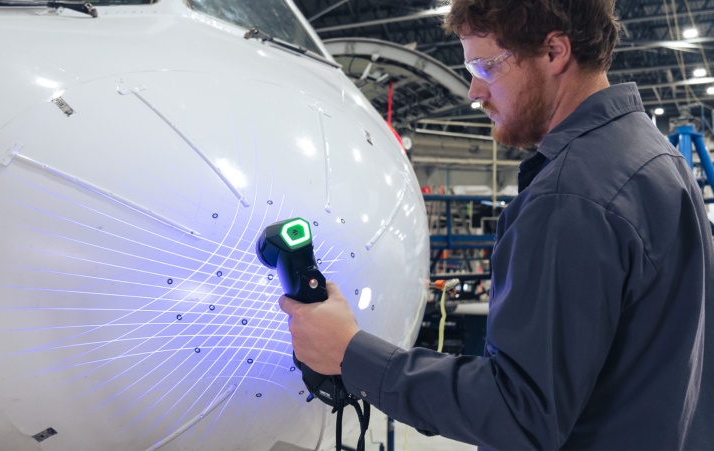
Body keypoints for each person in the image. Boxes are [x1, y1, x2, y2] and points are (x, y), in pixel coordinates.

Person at [279, 0, 714, 449]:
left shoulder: (570, 198)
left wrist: (352, 353)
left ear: (554, 52)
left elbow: (518, 415)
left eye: (486, 66)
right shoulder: (659, 158)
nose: (473, 91)